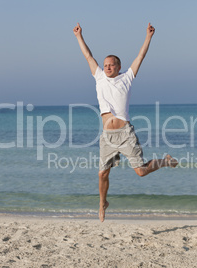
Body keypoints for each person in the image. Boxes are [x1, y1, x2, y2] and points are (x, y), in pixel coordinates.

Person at [73, 22, 178, 222]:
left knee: (140, 172)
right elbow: (88, 56)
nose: (107, 67)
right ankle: (103, 203)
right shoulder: (99, 78)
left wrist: (148, 37)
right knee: (102, 174)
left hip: (125, 134)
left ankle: (164, 160)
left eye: (111, 65)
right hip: (107, 136)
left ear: (119, 67)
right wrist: (79, 36)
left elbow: (140, 56)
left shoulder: (127, 78)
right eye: (105, 65)